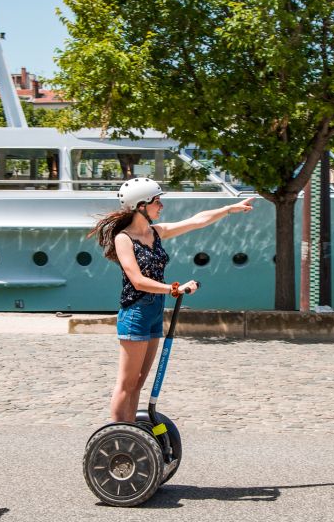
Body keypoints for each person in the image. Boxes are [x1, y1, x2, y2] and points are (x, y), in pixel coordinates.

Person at [88, 177, 254, 422]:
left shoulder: (156, 232)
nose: (161, 206)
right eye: (157, 201)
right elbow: (137, 280)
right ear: (141, 205)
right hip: (136, 313)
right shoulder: (124, 239)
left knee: (138, 383)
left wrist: (228, 209)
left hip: (155, 311)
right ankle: (116, 434)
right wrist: (173, 288)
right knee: (126, 383)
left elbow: (196, 221)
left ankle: (131, 429)